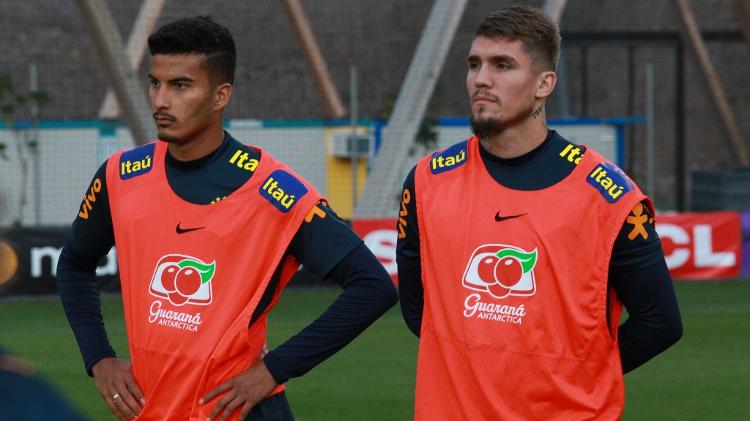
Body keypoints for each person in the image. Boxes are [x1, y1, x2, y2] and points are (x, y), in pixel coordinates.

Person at [57, 16, 397, 421]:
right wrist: (99, 359)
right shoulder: (121, 175)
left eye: (180, 85)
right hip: (154, 410)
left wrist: (274, 370)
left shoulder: (274, 191)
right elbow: (75, 263)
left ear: (221, 95)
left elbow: (373, 288)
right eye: (155, 83)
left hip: (237, 412)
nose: (160, 101)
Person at [396, 6, 682, 420]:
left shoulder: (609, 195)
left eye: (503, 65)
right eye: (474, 64)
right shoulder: (426, 181)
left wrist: (576, 377)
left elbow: (660, 323)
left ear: (544, 84)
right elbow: (418, 310)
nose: (481, 79)